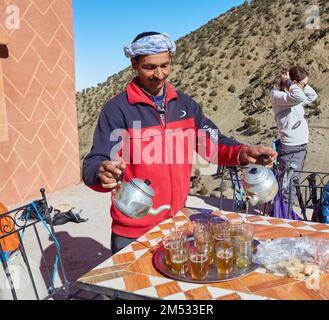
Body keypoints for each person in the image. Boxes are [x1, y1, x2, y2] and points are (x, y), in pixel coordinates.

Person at [83, 32, 277, 254]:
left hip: (176, 223)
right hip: (132, 230)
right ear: (134, 63)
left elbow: (213, 143)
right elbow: (95, 161)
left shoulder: (185, 104)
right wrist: (101, 173)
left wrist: (243, 153)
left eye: (165, 65)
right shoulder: (117, 109)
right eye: (150, 67)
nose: (159, 74)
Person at [270, 66, 318, 204]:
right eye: (302, 84)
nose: (304, 87)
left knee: (291, 184)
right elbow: (299, 96)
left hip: (299, 148)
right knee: (288, 188)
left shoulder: (293, 97)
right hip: (291, 149)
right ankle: (284, 218)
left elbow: (312, 96)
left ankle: (283, 213)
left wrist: (302, 85)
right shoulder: (279, 96)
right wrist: (289, 83)